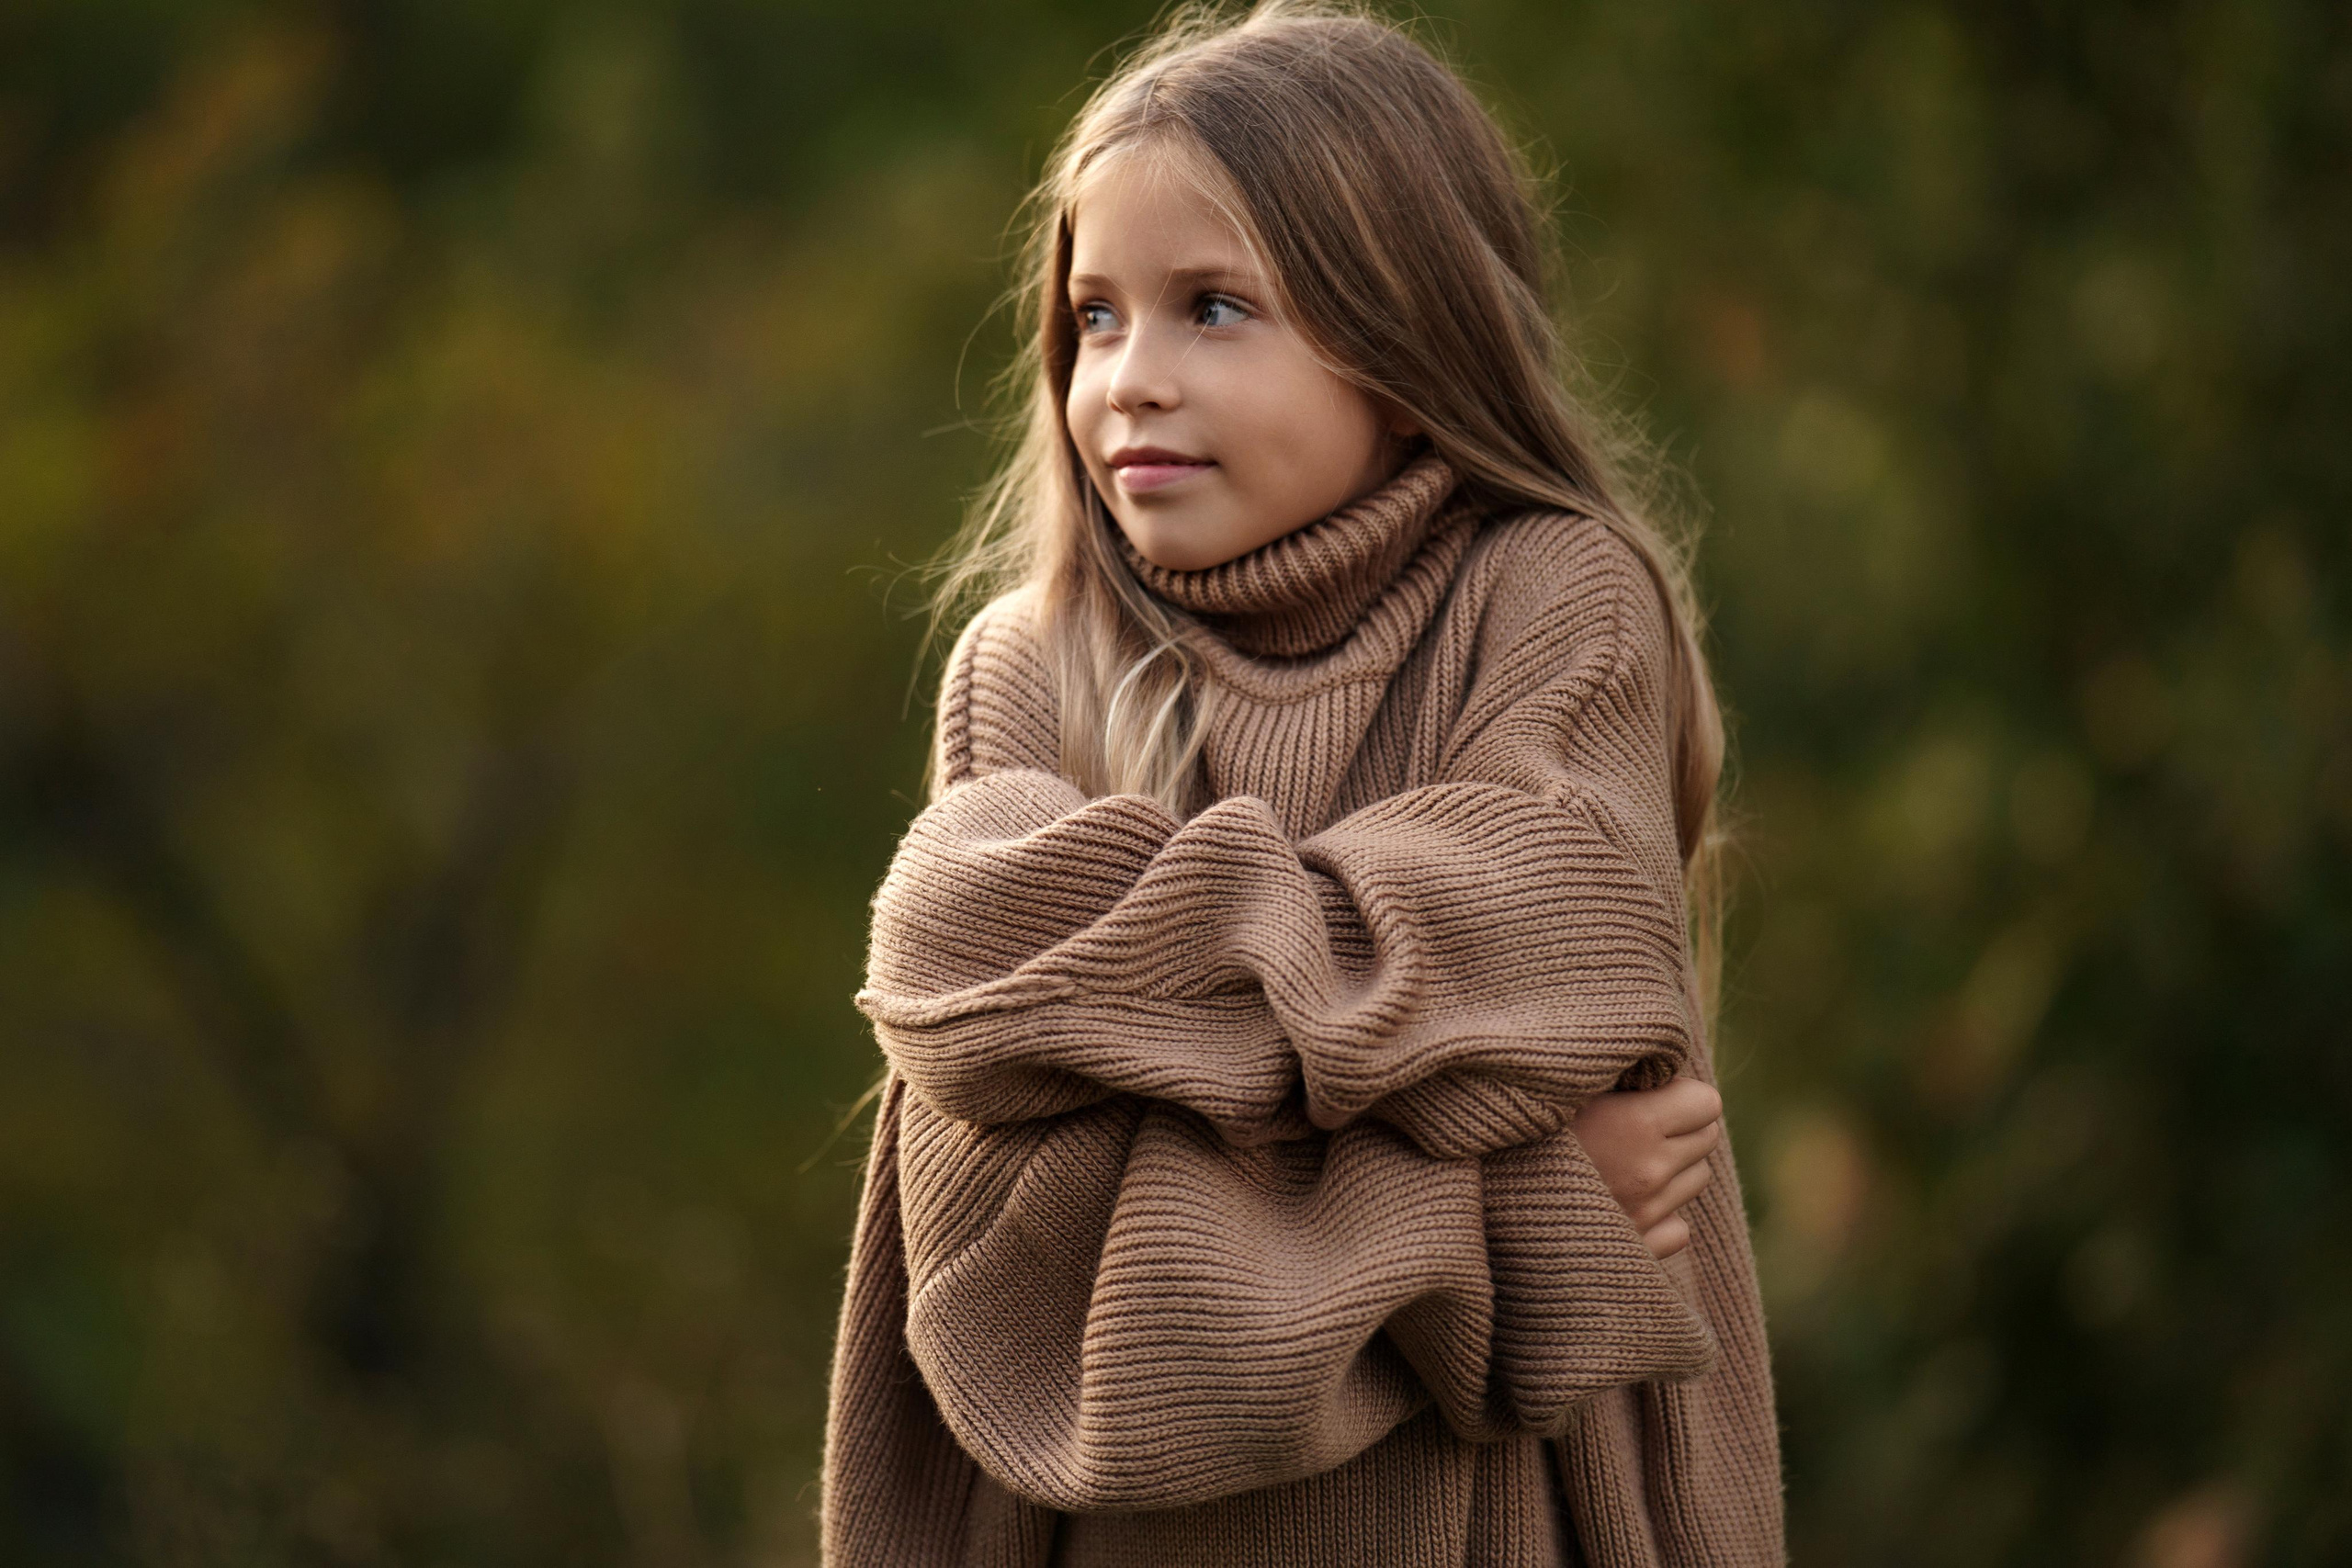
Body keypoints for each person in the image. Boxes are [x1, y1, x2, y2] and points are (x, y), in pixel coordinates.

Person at [821, 4, 1783, 1562]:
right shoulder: (1033, 672)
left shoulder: (1554, 608)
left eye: (1214, 308)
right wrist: (1507, 1221)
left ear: (1410, 350)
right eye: (1097, 316)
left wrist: (1112, 1004)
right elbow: (1041, 1309)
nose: (1128, 379)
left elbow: (1551, 948)